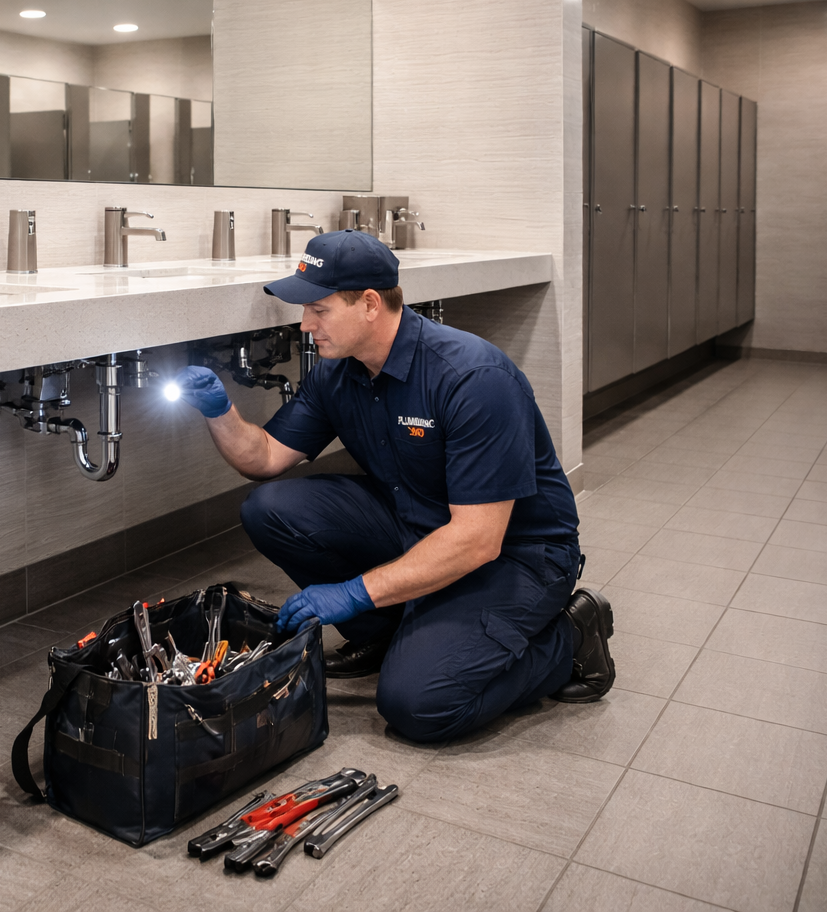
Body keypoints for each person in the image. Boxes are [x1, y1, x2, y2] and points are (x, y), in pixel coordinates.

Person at [171, 230, 614, 744]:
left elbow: (478, 538)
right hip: (417, 522)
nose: (305, 324)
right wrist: (218, 410)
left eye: (318, 309)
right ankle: (387, 634)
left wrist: (355, 592)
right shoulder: (337, 372)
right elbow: (266, 458)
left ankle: (571, 637)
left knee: (419, 705)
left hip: (516, 553)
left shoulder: (472, 377)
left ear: (370, 304)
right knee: (270, 508)